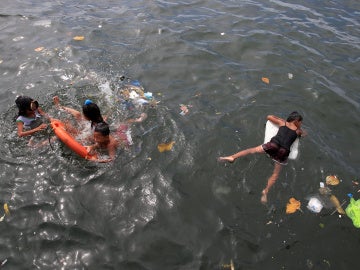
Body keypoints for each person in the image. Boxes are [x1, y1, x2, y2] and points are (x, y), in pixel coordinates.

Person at [218, 112, 307, 204]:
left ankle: (232, 157)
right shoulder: (298, 131)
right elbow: (304, 134)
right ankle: (265, 191)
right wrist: (299, 129)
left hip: (273, 145)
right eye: (301, 122)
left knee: (251, 150)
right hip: (283, 151)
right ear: (296, 121)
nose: (301, 123)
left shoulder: (282, 123)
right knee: (275, 175)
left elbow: (269, 116)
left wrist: (282, 120)